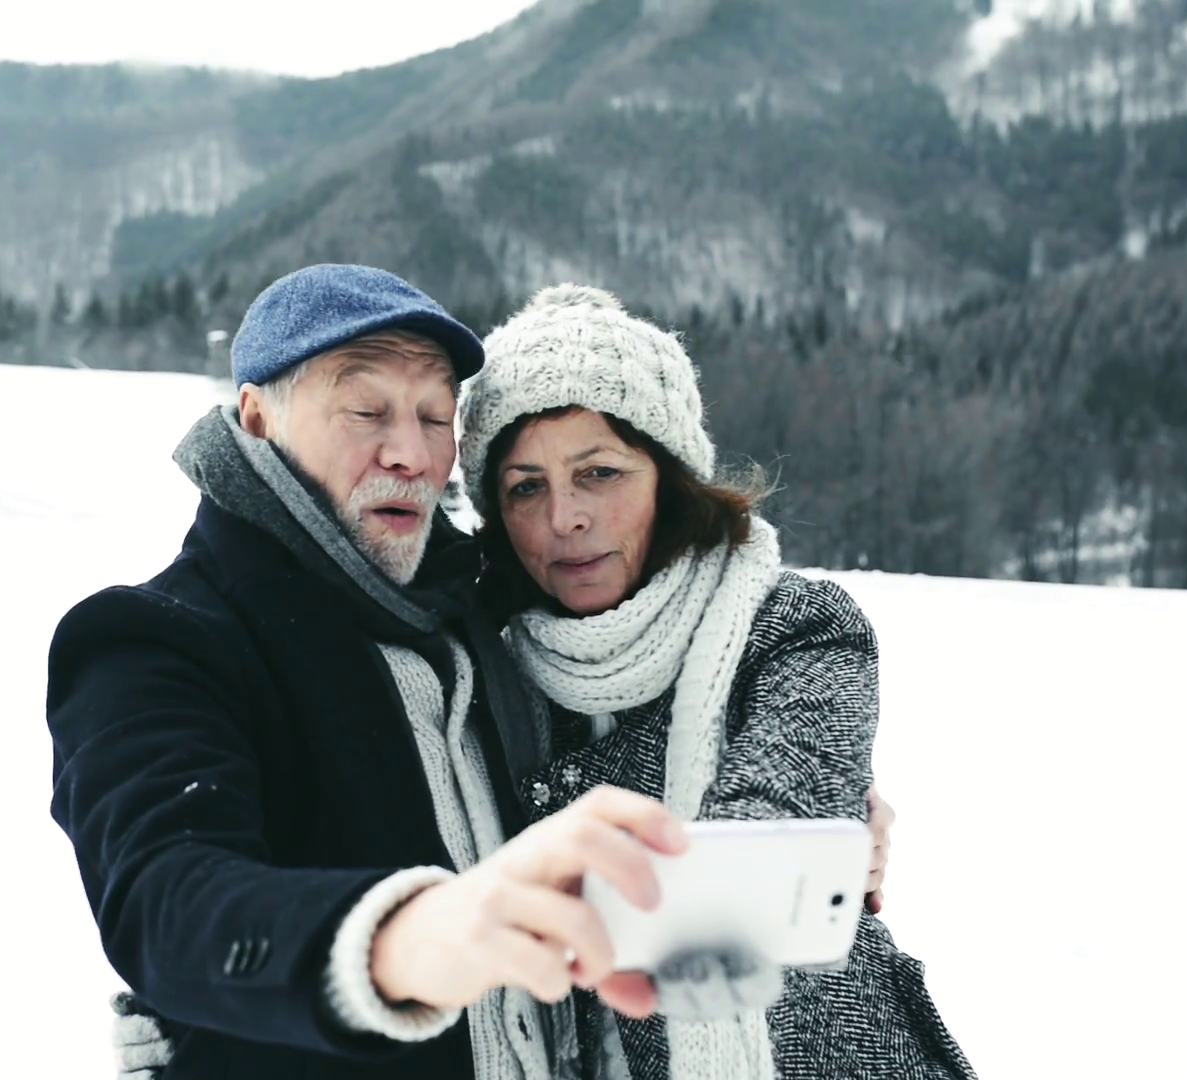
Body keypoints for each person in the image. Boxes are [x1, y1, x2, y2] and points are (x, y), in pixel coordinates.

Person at [48, 264, 703, 1080]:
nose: (412, 455)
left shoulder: (480, 614)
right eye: (367, 412)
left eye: (435, 417)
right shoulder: (157, 641)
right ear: (256, 418)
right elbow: (170, 905)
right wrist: (404, 939)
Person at [455, 285, 976, 1080]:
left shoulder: (796, 626)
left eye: (600, 473)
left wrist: (801, 853)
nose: (565, 518)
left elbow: (766, 837)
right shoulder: (476, 669)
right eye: (527, 486)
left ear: (669, 478)